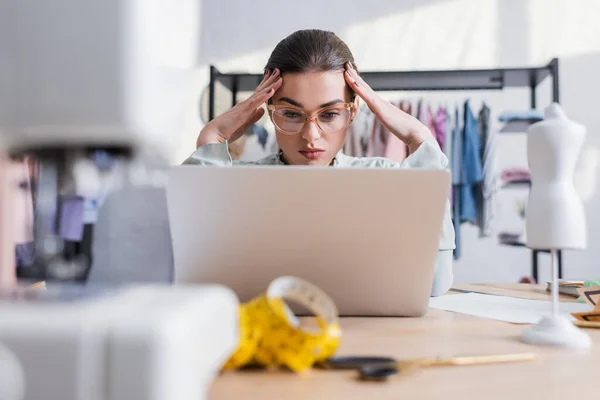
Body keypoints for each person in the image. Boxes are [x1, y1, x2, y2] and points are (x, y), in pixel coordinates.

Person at [184, 29, 455, 296]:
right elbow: (185, 261)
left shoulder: (386, 180)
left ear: (353, 112)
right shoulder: (233, 183)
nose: (310, 135)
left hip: (369, 338)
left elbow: (435, 282)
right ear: (268, 109)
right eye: (291, 113)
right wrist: (212, 137)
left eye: (330, 114)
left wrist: (419, 136)